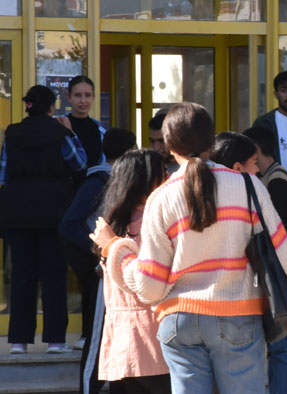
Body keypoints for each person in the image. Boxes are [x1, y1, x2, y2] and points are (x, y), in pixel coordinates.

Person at [90, 102, 287, 394]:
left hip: (179, 320)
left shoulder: (161, 198)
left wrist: (116, 250)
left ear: (169, 145)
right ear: (212, 141)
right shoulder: (249, 186)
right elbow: (284, 259)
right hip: (239, 316)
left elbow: (149, 286)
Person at [0, 85, 88, 354]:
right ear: (51, 107)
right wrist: (70, 132)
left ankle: (18, 341)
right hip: (54, 212)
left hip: (18, 215)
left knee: (22, 275)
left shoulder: (11, 134)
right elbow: (79, 164)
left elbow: (4, 176)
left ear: (27, 106)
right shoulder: (59, 133)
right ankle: (55, 340)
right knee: (53, 275)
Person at [211, 129, 287, 394]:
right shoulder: (251, 188)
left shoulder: (199, 190)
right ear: (238, 166)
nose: (258, 171)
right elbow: (282, 248)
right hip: (252, 292)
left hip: (208, 304)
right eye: (254, 164)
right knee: (281, 349)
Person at [59, 128, 136, 394]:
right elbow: (69, 224)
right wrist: (100, 251)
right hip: (103, 273)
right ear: (131, 152)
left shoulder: (121, 181)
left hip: (119, 271)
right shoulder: (101, 180)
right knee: (98, 339)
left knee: (119, 338)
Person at [97, 149, 171, 394]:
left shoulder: (113, 224)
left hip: (121, 341)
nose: (170, 177)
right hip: (153, 339)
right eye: (163, 173)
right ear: (144, 182)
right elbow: (146, 281)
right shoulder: (151, 223)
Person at [66, 75, 106, 168]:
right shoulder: (61, 126)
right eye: (78, 95)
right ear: (69, 97)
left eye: (87, 95)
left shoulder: (100, 130)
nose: (83, 101)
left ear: (93, 97)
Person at [148, 110, 180, 174]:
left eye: (162, 141)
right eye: (152, 141)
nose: (156, 148)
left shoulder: (193, 170)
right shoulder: (148, 169)